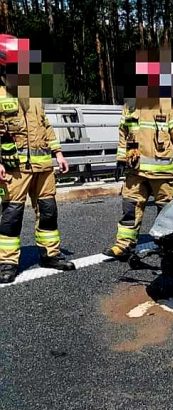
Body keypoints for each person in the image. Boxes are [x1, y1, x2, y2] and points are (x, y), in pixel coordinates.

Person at [0, 34, 75, 282]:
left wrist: (58, 153)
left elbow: (45, 125)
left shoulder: (32, 93)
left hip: (43, 166)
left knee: (48, 210)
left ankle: (50, 254)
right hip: (15, 168)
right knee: (12, 215)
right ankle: (8, 262)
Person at [103, 54, 173, 260]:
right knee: (129, 207)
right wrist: (121, 159)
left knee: (166, 211)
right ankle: (124, 245)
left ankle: (168, 248)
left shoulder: (168, 106)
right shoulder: (131, 105)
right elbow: (124, 133)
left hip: (163, 172)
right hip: (135, 170)